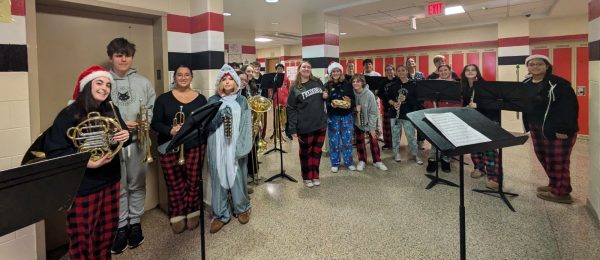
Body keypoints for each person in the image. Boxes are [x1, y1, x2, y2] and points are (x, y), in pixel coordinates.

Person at [45, 65, 130, 259]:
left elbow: (123, 138)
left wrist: (126, 136)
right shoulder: (69, 113)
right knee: (83, 237)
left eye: (108, 85)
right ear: (87, 86)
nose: (104, 88)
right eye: (99, 83)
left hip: (110, 179)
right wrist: (86, 163)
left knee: (107, 232)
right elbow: (54, 151)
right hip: (84, 185)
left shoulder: (111, 109)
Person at [106, 37, 156, 254]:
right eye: (119, 55)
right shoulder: (102, 80)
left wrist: (144, 122)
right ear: (112, 57)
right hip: (112, 144)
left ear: (132, 57)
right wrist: (118, 126)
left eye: (127, 54)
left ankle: (135, 223)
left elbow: (151, 109)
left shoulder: (143, 82)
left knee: (137, 184)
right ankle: (120, 227)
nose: (123, 58)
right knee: (119, 187)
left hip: (138, 142)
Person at [151, 65, 208, 234]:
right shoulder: (163, 99)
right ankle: (177, 213)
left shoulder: (201, 100)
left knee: (192, 181)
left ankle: (193, 211)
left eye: (187, 75)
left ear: (192, 77)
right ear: (174, 77)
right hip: (169, 146)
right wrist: (171, 130)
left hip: (194, 145)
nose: (183, 78)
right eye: (179, 75)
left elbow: (204, 123)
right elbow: (155, 123)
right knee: (174, 182)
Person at [523, 54, 579, 204]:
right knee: (544, 156)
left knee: (558, 160)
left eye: (539, 64)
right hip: (536, 127)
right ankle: (554, 184)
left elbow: (569, 108)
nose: (535, 67)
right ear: (527, 67)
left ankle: (562, 193)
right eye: (531, 64)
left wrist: (563, 129)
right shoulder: (526, 83)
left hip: (557, 128)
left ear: (547, 66)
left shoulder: (559, 84)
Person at [206, 64, 253, 233]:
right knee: (219, 177)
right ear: (220, 82)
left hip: (235, 145)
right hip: (217, 145)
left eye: (230, 79)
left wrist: (241, 147)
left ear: (236, 82)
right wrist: (219, 117)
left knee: (237, 175)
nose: (227, 82)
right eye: (224, 79)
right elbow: (207, 126)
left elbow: (247, 125)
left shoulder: (242, 101)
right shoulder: (212, 101)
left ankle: (241, 208)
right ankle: (220, 214)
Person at [287, 61, 328, 187]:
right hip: (304, 126)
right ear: (299, 70)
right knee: (306, 153)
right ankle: (306, 177)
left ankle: (315, 175)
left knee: (317, 152)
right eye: (303, 67)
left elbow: (324, 93)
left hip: (320, 123)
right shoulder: (295, 87)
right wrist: (292, 128)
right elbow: (291, 108)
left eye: (308, 67)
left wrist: (325, 95)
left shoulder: (317, 81)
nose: (306, 69)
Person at [461, 64, 501, 190]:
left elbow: (495, 103)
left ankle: (494, 177)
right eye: (468, 70)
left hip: (486, 120)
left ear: (477, 72)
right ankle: (479, 168)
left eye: (473, 70)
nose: (470, 72)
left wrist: (479, 105)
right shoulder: (463, 87)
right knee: (474, 147)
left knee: (488, 149)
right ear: (464, 73)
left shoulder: (484, 86)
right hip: (471, 120)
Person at [425, 65, 462, 173]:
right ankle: (433, 159)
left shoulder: (456, 84)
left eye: (445, 70)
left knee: (449, 139)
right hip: (436, 115)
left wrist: (452, 111)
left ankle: (446, 159)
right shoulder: (433, 84)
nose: (443, 72)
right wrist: (432, 107)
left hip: (451, 115)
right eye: (441, 70)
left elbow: (460, 100)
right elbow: (426, 100)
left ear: (450, 71)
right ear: (438, 72)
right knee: (435, 139)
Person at [352, 74, 388, 172]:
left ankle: (377, 161)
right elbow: (349, 107)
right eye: (354, 81)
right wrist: (355, 108)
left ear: (363, 82)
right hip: (358, 122)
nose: (355, 83)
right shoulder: (352, 93)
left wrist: (372, 128)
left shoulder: (369, 94)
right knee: (360, 142)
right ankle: (362, 160)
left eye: (358, 81)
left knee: (374, 142)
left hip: (370, 122)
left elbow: (373, 112)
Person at [324, 62, 356, 172]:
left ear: (341, 72)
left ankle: (349, 162)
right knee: (334, 141)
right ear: (330, 73)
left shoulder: (347, 84)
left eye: (337, 71)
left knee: (347, 140)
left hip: (346, 116)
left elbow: (354, 100)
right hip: (333, 117)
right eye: (333, 71)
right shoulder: (327, 85)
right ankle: (335, 163)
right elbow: (324, 101)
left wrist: (350, 101)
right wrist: (330, 104)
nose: (336, 73)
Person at [389, 65, 422, 164]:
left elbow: (418, 100)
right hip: (395, 114)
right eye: (399, 71)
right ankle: (396, 153)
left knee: (411, 135)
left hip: (408, 114)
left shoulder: (413, 84)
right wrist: (394, 103)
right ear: (396, 73)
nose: (401, 72)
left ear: (407, 71)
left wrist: (406, 99)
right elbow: (389, 99)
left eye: (403, 70)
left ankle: (415, 154)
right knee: (395, 135)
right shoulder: (393, 85)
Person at [406, 57, 426, 151]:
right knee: (410, 123)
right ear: (406, 65)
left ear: (415, 64)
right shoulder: (405, 75)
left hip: (420, 102)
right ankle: (412, 142)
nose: (411, 63)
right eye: (409, 62)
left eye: (412, 61)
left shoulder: (420, 74)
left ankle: (421, 141)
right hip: (409, 102)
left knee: (420, 123)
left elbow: (424, 87)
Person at [377, 64, 397, 150]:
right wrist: (387, 100)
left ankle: (396, 143)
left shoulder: (397, 80)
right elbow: (380, 94)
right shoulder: (383, 82)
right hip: (387, 106)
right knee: (386, 126)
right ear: (385, 72)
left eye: (391, 69)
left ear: (394, 71)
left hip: (397, 106)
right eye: (387, 70)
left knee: (396, 126)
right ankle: (388, 143)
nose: (389, 71)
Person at [270, 63, 290, 141]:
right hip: (276, 99)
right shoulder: (274, 78)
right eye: (278, 68)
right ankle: (275, 132)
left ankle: (288, 133)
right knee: (276, 116)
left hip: (284, 99)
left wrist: (286, 95)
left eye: (281, 68)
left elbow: (288, 87)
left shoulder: (286, 78)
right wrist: (272, 95)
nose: (279, 70)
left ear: (283, 69)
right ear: (276, 70)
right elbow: (271, 88)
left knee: (285, 117)